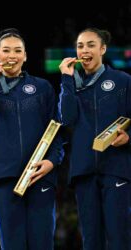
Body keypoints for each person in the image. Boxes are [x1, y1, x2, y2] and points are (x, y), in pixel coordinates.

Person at [0, 28, 64, 250]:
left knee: (42, 242)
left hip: (40, 175)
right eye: (6, 51)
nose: (11, 55)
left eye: (17, 51)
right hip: (6, 177)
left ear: (25, 56)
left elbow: (56, 129)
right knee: (12, 244)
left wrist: (52, 161)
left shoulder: (42, 88)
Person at [58, 27, 131, 250]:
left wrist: (129, 137)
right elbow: (67, 119)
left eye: (91, 45)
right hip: (84, 170)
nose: (84, 50)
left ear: (103, 49)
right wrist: (66, 79)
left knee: (119, 236)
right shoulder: (71, 84)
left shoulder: (122, 81)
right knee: (91, 239)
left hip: (116, 167)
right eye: (80, 46)